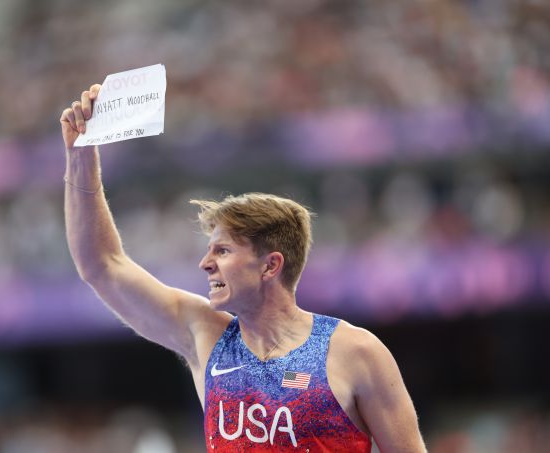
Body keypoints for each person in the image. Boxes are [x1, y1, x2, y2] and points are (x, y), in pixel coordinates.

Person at [60, 83, 427, 452]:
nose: (205, 264)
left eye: (222, 251)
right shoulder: (206, 336)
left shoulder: (355, 352)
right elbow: (102, 266)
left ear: (270, 266)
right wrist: (80, 156)